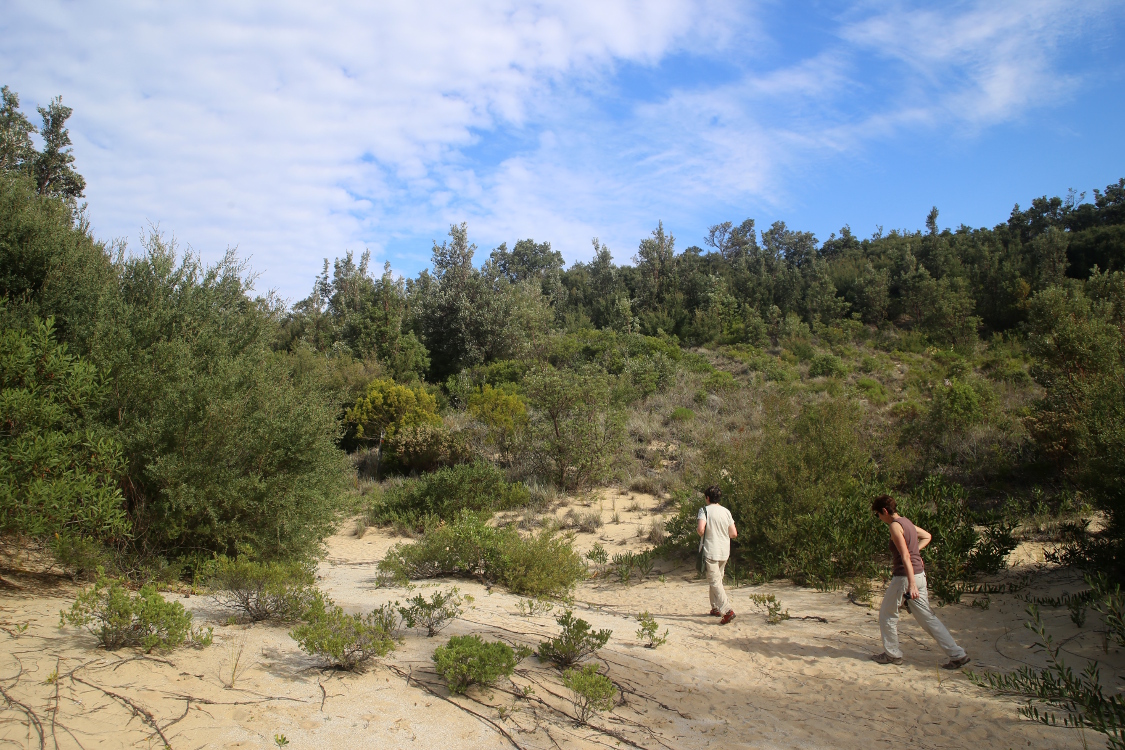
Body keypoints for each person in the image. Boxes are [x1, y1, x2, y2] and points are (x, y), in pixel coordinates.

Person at [870, 494, 971, 669]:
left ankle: (892, 654)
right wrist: (916, 552)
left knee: (887, 614)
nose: (878, 518)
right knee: (927, 618)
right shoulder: (907, 522)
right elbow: (927, 536)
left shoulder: (895, 526)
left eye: (877, 514)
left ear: (884, 511)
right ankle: (957, 654)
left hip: (904, 577)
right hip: (919, 574)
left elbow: (905, 556)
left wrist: (911, 584)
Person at [697, 486, 738, 625]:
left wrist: (702, 533)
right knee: (717, 579)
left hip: (710, 550)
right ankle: (715, 607)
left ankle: (727, 610)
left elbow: (701, 529)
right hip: (724, 551)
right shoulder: (726, 512)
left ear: (708, 498)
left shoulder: (704, 510)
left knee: (715, 582)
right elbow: (733, 533)